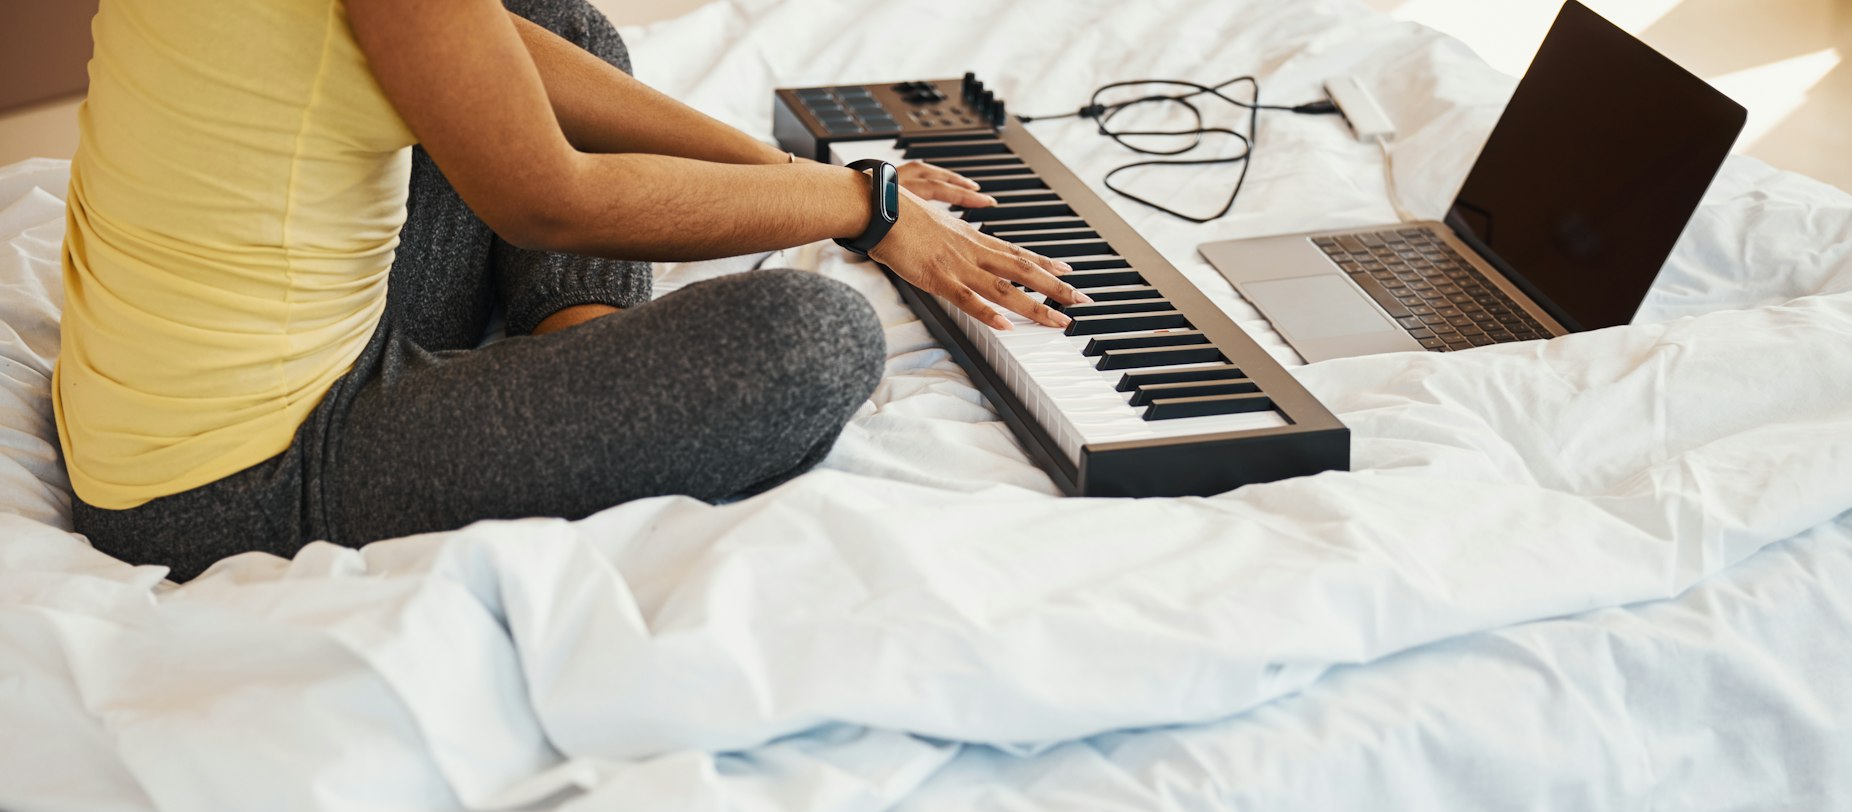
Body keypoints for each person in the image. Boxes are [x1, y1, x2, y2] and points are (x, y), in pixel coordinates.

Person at [54, 0, 1090, 582]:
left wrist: (792, 180)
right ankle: (578, 394)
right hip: (232, 480)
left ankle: (571, 365)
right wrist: (857, 208)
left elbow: (500, 49)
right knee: (813, 340)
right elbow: (549, 202)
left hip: (239, 371)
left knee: (558, 22)